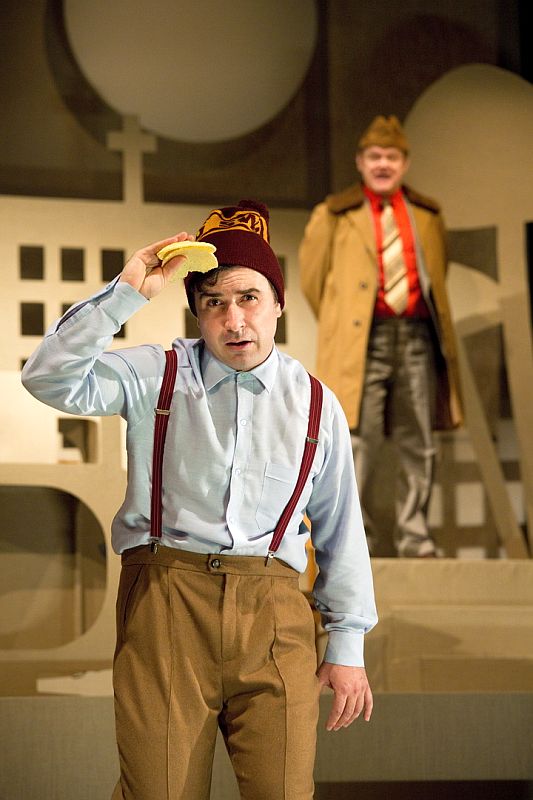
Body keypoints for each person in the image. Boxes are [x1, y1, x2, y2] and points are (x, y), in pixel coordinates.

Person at [21, 199, 377, 800]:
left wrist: (347, 645)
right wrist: (126, 295)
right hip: (166, 600)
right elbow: (47, 377)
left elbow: (340, 528)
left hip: (274, 612)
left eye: (249, 298)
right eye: (213, 303)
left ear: (278, 303)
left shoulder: (315, 402)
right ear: (196, 312)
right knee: (159, 790)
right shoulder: (157, 373)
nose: (234, 320)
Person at [299, 116, 463, 558]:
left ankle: (415, 535)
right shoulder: (335, 214)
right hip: (362, 341)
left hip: (415, 336)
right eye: (375, 156)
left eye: (391, 157)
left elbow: (438, 274)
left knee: (419, 440)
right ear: (360, 162)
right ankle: (359, 537)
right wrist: (344, 325)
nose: (383, 164)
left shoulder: (427, 215)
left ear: (404, 163)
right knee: (357, 441)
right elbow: (313, 282)